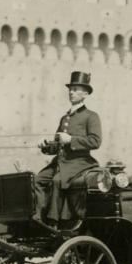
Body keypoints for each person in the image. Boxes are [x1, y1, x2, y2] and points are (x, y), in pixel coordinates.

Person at [35, 71, 102, 224]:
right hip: (59, 162)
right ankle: (37, 217)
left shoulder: (91, 116)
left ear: (85, 94)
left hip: (79, 163)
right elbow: (58, 145)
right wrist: (46, 145)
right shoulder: (64, 118)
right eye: (70, 89)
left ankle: (53, 221)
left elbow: (96, 141)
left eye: (76, 89)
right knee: (37, 180)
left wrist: (71, 139)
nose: (71, 92)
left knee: (57, 181)